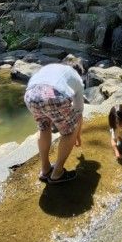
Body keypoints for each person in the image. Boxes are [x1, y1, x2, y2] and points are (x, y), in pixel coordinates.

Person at [24, 55, 85, 184]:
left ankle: (45, 169)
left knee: (44, 126)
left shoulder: (51, 67)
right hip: (53, 95)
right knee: (69, 131)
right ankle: (57, 172)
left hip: (30, 95)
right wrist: (76, 135)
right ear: (79, 72)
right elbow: (78, 112)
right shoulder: (77, 79)